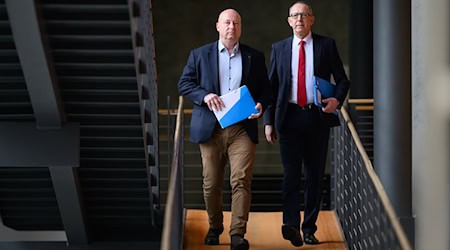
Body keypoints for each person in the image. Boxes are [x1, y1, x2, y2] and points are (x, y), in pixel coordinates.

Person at [178, 8, 270, 250]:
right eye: (227, 22)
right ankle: (215, 225)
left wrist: (261, 104)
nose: (232, 27)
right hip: (210, 128)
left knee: (241, 180)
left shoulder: (254, 56)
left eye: (237, 23)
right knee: (212, 183)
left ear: (241, 27)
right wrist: (205, 95)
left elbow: (266, 89)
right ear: (217, 26)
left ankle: (237, 233)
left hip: (242, 128)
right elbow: (184, 83)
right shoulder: (199, 54)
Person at [263, 1, 350, 246]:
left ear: (312, 19)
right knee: (291, 175)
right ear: (289, 21)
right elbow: (271, 88)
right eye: (294, 15)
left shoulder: (326, 45)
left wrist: (336, 100)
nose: (299, 19)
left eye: (304, 15)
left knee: (314, 175)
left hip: (316, 117)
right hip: (288, 118)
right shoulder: (279, 48)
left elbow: (343, 80)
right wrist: (268, 122)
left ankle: (309, 228)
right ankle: (291, 224)